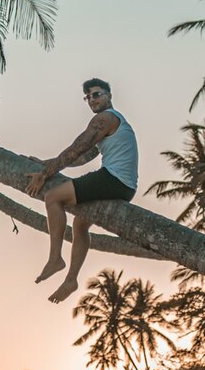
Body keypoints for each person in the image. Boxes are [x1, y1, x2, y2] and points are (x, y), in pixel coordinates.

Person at [26, 77, 138, 303]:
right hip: (126, 187)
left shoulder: (104, 119)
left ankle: (55, 258)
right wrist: (45, 163)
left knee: (53, 197)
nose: (92, 100)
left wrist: (45, 174)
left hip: (112, 180)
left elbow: (76, 150)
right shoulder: (116, 123)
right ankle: (71, 280)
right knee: (80, 223)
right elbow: (84, 157)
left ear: (109, 95)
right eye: (88, 97)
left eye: (97, 94)